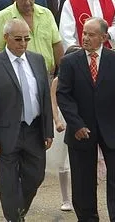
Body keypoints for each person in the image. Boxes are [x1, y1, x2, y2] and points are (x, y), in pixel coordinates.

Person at [56, 17, 115, 222]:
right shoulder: (70, 62)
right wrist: (76, 124)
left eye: (91, 34)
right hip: (81, 129)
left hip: (111, 128)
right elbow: (63, 95)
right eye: (84, 33)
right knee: (83, 181)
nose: (85, 38)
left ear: (104, 37)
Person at [0, 18, 54, 222]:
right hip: (6, 132)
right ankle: (14, 218)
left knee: (35, 176)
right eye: (18, 39)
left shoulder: (38, 61)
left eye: (26, 39)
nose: (23, 43)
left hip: (34, 130)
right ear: (6, 38)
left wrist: (48, 130)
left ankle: (17, 212)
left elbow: (44, 97)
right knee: (9, 182)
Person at [51, 45, 81, 212]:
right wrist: (56, 121)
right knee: (63, 162)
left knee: (79, 162)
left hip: (79, 120)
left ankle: (79, 197)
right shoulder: (58, 81)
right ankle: (65, 198)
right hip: (63, 120)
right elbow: (53, 102)